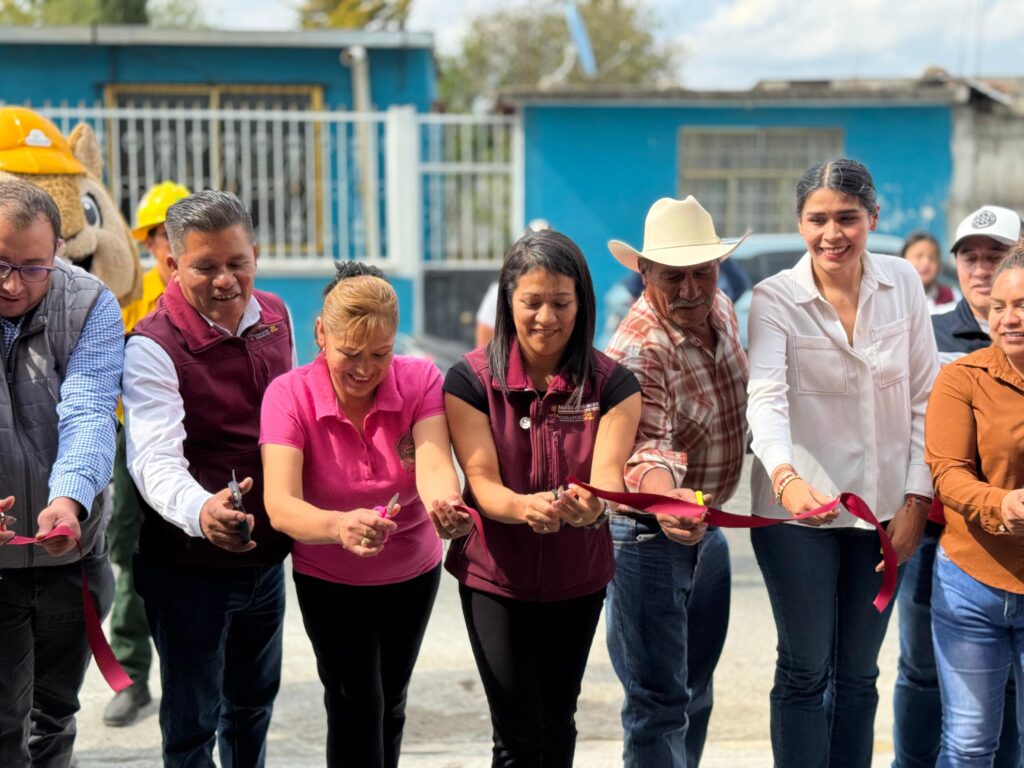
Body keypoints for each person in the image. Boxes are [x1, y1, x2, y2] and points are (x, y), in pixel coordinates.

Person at [746, 159, 939, 767]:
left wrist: (916, 501)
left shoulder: (903, 282)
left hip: (882, 514)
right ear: (799, 224)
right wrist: (785, 478)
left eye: (848, 218)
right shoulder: (774, 298)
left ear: (872, 218)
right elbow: (766, 399)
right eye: (818, 219)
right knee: (805, 668)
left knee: (858, 675)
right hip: (796, 516)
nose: (833, 234)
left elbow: (925, 399)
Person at [443, 229, 642, 767]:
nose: (546, 318)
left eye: (561, 302)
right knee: (515, 734)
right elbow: (481, 481)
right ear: (508, 300)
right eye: (532, 302)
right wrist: (524, 508)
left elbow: (608, 480)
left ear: (583, 303)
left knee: (557, 720)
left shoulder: (615, 386)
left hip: (577, 578)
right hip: (495, 577)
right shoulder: (468, 381)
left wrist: (593, 507)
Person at [260, 271, 469, 768]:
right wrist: (338, 527)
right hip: (330, 578)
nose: (365, 368)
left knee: (391, 701)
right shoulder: (289, 395)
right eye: (350, 353)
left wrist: (446, 504)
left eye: (380, 353)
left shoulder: (420, 380)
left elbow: (434, 463)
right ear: (320, 333)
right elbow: (281, 505)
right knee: (355, 705)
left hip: (411, 573)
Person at [122, 190, 293, 767]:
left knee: (251, 710)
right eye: (205, 266)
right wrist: (201, 512)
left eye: (237, 262)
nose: (225, 281)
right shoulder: (151, 344)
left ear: (256, 255)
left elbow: (294, 421)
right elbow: (152, 457)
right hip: (187, 569)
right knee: (192, 723)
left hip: (266, 560)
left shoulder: (276, 316)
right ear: (171, 265)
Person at [603, 196, 750, 767]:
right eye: (673, 276)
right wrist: (668, 500)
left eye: (702, 272)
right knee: (659, 704)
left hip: (705, 525)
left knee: (694, 691)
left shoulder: (723, 308)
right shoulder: (640, 348)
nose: (690, 289)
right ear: (644, 273)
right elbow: (647, 446)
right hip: (648, 536)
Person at [892, 204, 1022, 768]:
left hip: (1011, 546)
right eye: (971, 256)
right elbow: (913, 435)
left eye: (996, 256)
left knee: (1002, 695)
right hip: (942, 536)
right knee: (922, 671)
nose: (982, 268)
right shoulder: (931, 332)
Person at [0, 177, 121, 766]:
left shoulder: (91, 304)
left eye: (32, 268)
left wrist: (69, 499)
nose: (12, 284)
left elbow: (90, 408)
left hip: (70, 554)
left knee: (54, 716)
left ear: (58, 252)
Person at [925, 247, 1024, 766]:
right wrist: (1001, 503)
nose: (1009, 318)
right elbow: (947, 474)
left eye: (1023, 305)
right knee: (968, 744)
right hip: (970, 584)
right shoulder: (962, 378)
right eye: (1000, 307)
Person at [104, 180, 190, 728]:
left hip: (200, 439)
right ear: (151, 242)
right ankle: (132, 676)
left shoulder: (219, 293)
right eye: (160, 235)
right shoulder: (129, 300)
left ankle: (201, 674)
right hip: (132, 437)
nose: (169, 244)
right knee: (129, 552)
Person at [903, 231, 958, 314]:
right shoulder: (894, 298)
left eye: (932, 257)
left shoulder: (951, 295)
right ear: (903, 259)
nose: (926, 263)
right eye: (919, 256)